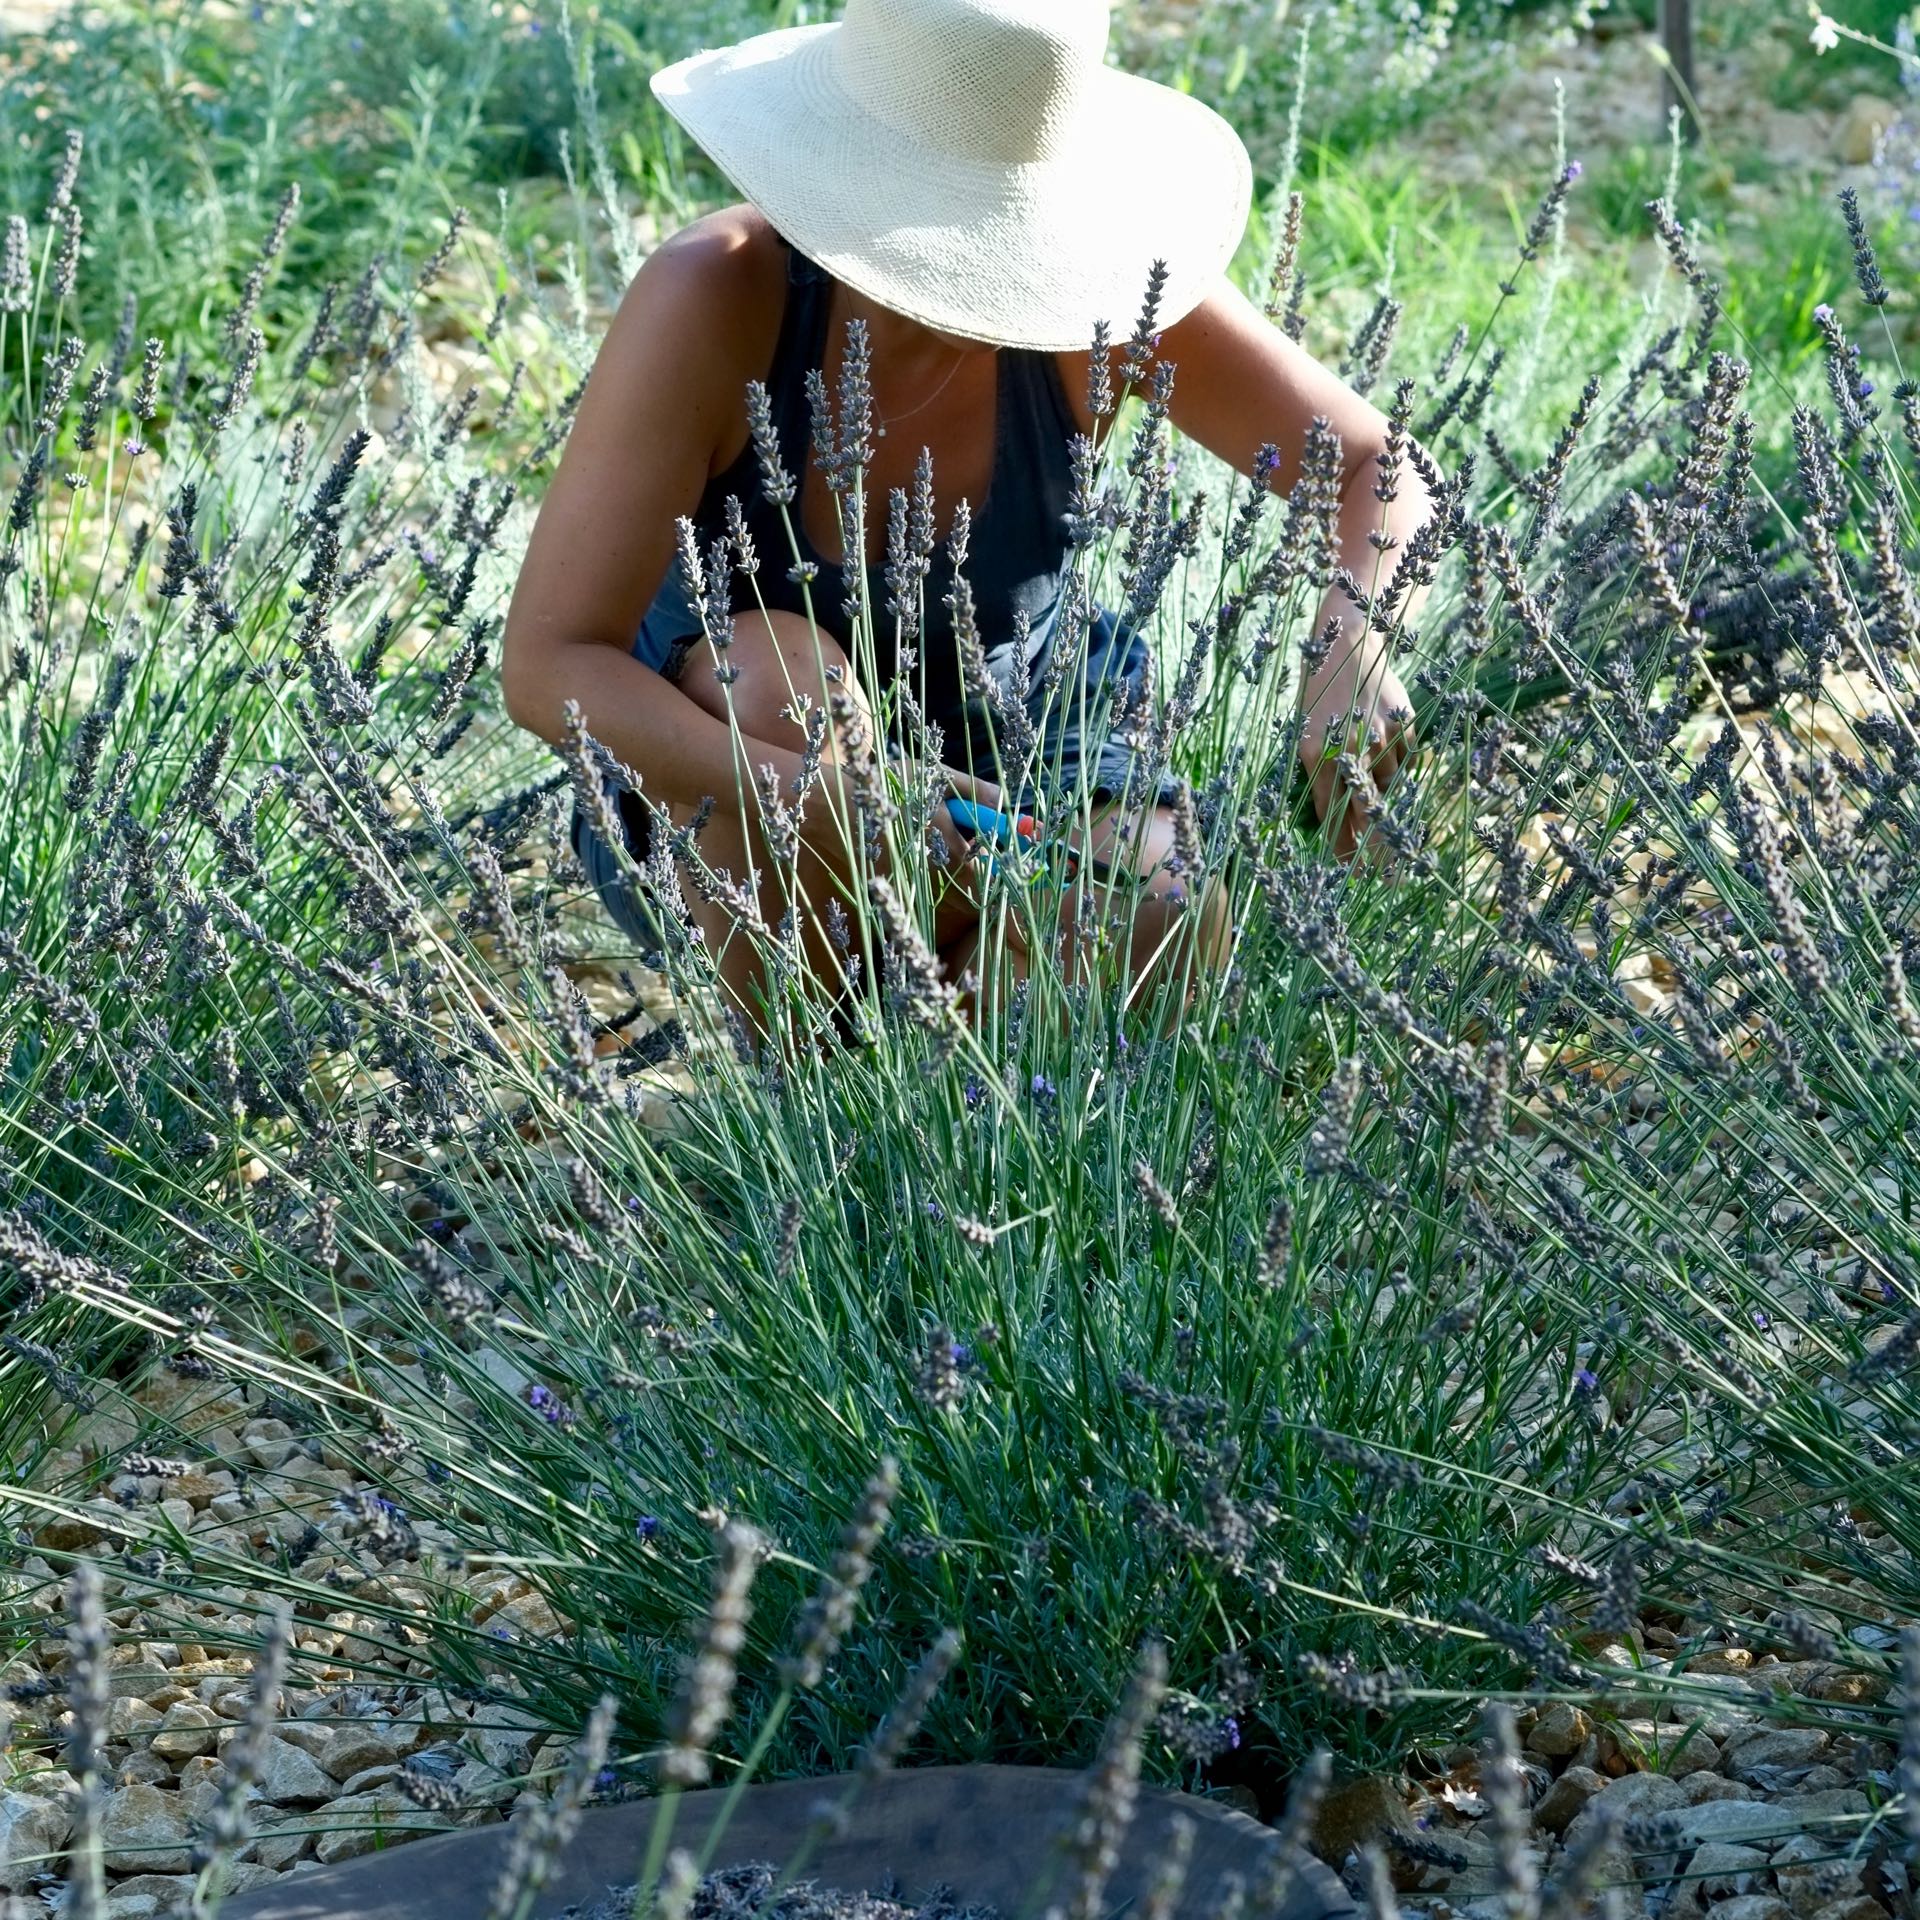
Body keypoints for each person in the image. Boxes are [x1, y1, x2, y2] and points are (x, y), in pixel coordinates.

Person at [501, 0, 1433, 1032]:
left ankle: (983, 1124)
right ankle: (817, 1107)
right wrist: (828, 795)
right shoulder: (718, 296)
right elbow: (552, 666)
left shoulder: (1100, 282)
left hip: (1026, 749)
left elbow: (1369, 464)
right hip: (736, 792)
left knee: (1160, 906)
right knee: (775, 678)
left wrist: (1352, 639)